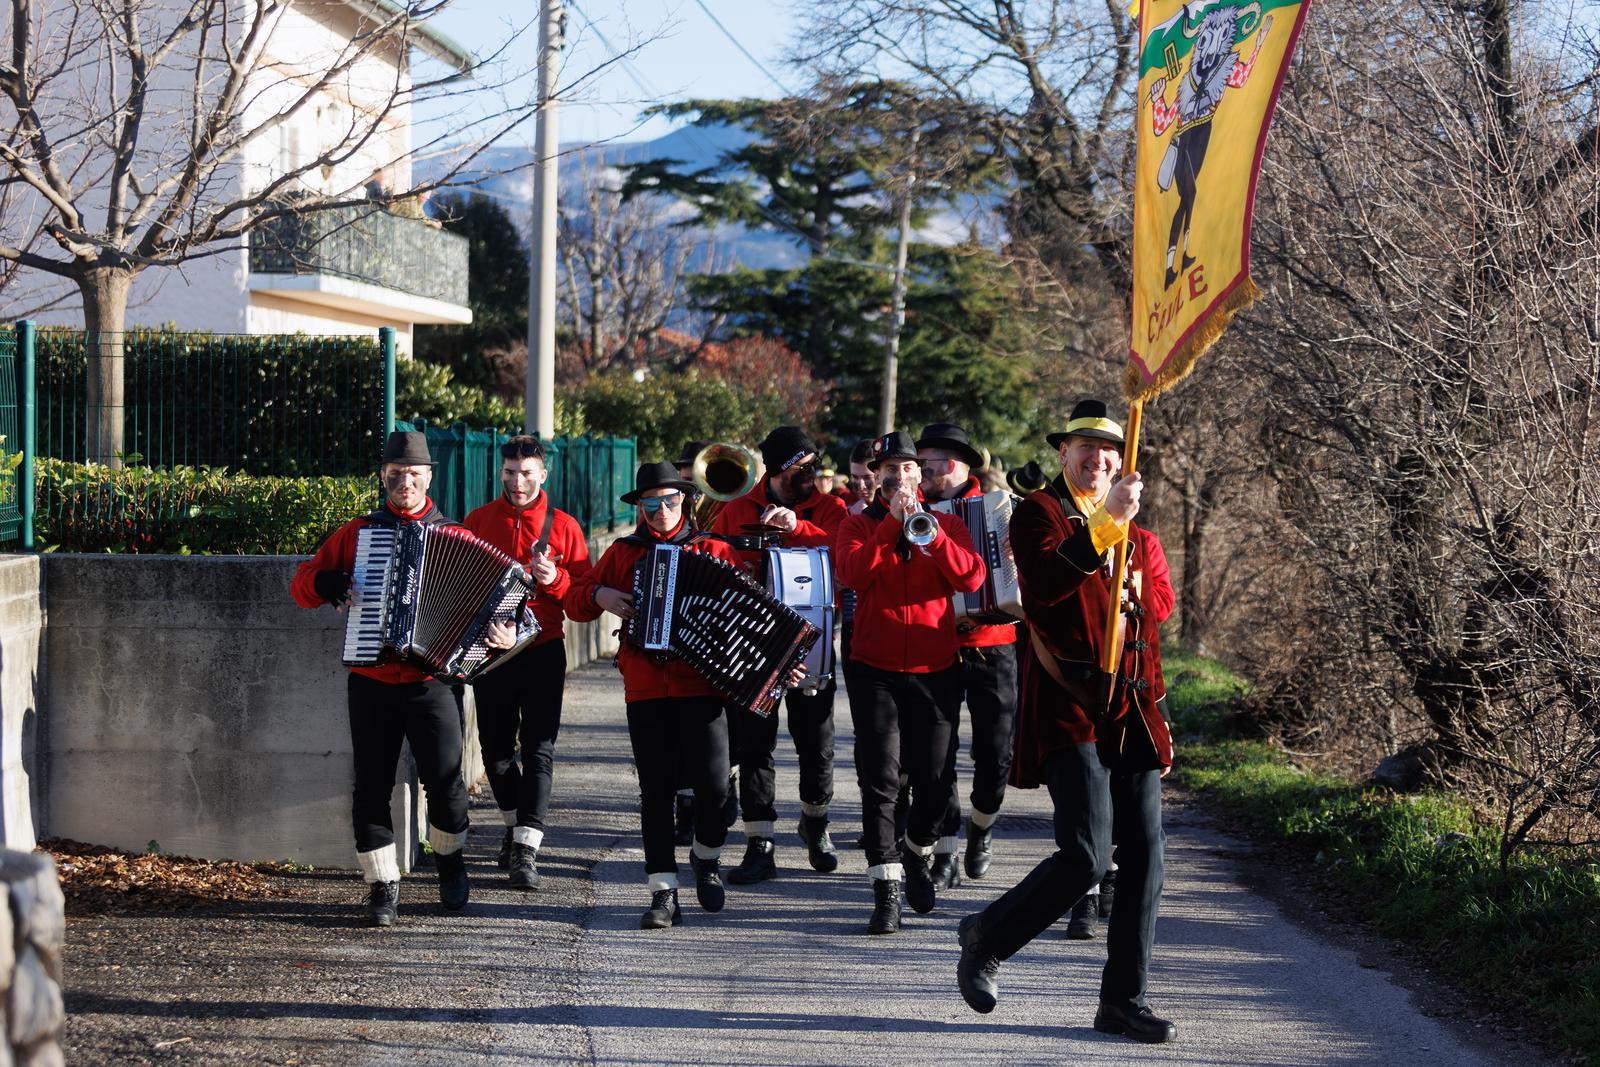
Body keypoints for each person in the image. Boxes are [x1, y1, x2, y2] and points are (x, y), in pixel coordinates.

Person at [955, 399, 1177, 1045]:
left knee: (1145, 858)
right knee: (1086, 854)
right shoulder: (1038, 515)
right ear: (1062, 452)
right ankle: (986, 938)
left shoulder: (1140, 536)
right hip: (1068, 704)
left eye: (1108, 450)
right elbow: (1049, 583)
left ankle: (1122, 1001)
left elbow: (1150, 622)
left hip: (1131, 709)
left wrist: (1158, 720)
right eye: (1084, 445)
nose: (1098, 457)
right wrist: (1108, 524)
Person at [290, 431, 490, 927]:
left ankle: (449, 861)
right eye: (396, 474)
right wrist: (325, 582)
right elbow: (301, 587)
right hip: (372, 678)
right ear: (383, 477)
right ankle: (382, 885)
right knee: (371, 785)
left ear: (429, 477)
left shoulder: (459, 539)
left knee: (446, 785)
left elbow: (493, 610)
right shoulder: (358, 534)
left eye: (414, 474)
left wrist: (500, 632)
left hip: (432, 682)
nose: (405, 482)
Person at [563, 462, 743, 928]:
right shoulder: (625, 552)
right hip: (645, 688)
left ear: (685, 500)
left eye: (668, 500)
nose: (660, 511)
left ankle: (706, 857)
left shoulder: (715, 549)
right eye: (650, 503)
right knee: (656, 792)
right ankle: (663, 891)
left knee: (714, 787)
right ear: (639, 507)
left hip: (702, 685)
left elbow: (748, 608)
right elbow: (575, 599)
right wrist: (601, 593)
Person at [835, 431, 984, 934]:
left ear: (920, 474)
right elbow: (853, 574)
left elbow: (971, 579)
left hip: (935, 668)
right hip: (874, 669)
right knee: (879, 780)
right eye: (889, 469)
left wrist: (931, 536)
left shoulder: (945, 524)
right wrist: (890, 528)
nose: (899, 476)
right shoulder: (856, 526)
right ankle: (887, 888)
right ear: (874, 476)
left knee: (936, 782)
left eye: (907, 468)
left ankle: (919, 855)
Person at [711, 426, 849, 882]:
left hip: (811, 644)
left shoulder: (831, 508)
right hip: (753, 644)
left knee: (817, 745)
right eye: (800, 468)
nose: (811, 474)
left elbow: (846, 556)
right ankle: (760, 841)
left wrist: (800, 528)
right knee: (755, 746)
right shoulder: (735, 509)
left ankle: (815, 822)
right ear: (774, 470)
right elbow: (713, 561)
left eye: (814, 464)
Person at [462, 436, 591, 890]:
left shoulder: (565, 527)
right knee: (496, 755)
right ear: (501, 472)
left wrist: (555, 580)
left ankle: (525, 849)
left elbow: (582, 598)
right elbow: (462, 588)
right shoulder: (477, 521)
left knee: (539, 750)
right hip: (492, 655)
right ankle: (516, 829)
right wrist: (485, 631)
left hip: (543, 651)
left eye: (527, 473)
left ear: (543, 474)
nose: (517, 482)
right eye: (510, 472)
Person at [915, 423, 1019, 889]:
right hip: (936, 645)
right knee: (938, 756)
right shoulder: (914, 511)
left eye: (929, 465)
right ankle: (946, 849)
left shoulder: (997, 508)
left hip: (993, 642)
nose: (922, 473)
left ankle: (982, 826)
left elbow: (1017, 575)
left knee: (996, 753)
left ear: (954, 466)